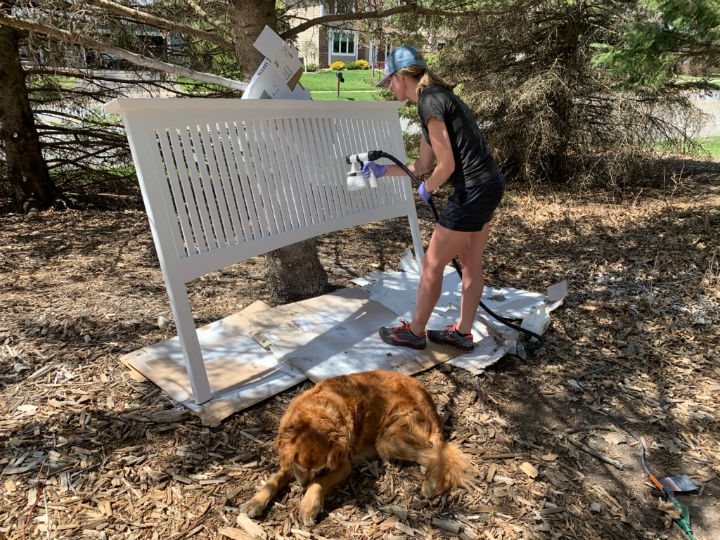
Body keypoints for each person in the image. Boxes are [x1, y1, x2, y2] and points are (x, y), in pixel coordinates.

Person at [365, 46, 505, 354]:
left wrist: (428, 187)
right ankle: (463, 334)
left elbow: (447, 167)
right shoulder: (436, 99)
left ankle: (415, 333)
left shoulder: (430, 101)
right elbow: (422, 165)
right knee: (470, 263)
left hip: (473, 191)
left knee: (431, 263)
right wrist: (381, 170)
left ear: (403, 77)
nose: (389, 88)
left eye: (390, 81)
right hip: (489, 185)